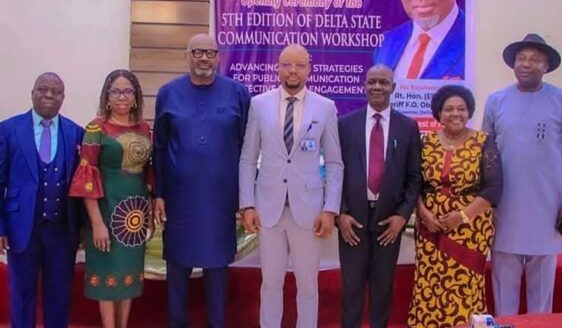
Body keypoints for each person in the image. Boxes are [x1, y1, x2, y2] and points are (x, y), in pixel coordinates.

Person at [482, 33, 562, 316]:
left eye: (535, 60)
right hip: (505, 210)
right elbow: (485, 157)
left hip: (548, 209)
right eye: (522, 59)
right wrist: (485, 204)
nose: (526, 64)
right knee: (504, 289)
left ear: (547, 66)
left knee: (542, 295)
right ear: (513, 64)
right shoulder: (496, 101)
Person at [239, 44, 343, 328]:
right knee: (270, 282)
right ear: (277, 67)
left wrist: (330, 208)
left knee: (307, 284)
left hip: (309, 211)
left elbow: (334, 163)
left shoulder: (325, 107)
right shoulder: (259, 104)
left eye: (299, 65)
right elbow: (248, 158)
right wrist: (247, 204)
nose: (293, 71)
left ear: (309, 69)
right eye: (287, 65)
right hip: (268, 208)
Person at [153, 33, 250, 328]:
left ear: (219, 56)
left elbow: (248, 148)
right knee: (178, 270)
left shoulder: (238, 93)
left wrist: (244, 199)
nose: (204, 58)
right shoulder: (168, 93)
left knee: (217, 272)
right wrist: (159, 193)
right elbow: (159, 146)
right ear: (187, 56)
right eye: (197, 52)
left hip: (221, 202)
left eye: (209, 52)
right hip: (180, 201)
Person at [408, 85, 503, 328]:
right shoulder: (425, 142)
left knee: (466, 286)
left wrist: (461, 216)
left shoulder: (484, 142)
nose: (455, 113)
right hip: (431, 227)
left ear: (469, 111)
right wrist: (423, 213)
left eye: (461, 108)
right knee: (430, 283)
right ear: (438, 113)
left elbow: (493, 189)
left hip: (470, 229)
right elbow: (414, 183)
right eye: (449, 109)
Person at [337, 65, 422, 328]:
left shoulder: (408, 127)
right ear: (364, 86)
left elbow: (414, 177)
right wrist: (341, 212)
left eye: (383, 82)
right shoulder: (345, 124)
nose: (376, 87)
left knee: (382, 288)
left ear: (393, 88)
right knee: (351, 289)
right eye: (371, 81)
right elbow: (333, 169)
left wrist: (402, 217)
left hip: (389, 222)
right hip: (353, 220)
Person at [69, 69, 153, 328]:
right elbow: (86, 179)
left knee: (127, 279)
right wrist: (96, 223)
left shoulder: (144, 129)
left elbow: (148, 175)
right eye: (115, 91)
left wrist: (148, 218)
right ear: (107, 97)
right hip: (106, 213)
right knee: (107, 277)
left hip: (135, 217)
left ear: (136, 97)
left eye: (127, 91)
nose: (121, 96)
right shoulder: (96, 128)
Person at [0, 72, 84, 327]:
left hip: (62, 230)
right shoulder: (8, 129)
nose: (49, 95)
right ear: (33, 92)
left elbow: (82, 186)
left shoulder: (76, 132)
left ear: (63, 97)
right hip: (21, 228)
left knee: (59, 297)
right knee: (21, 296)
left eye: (56, 91)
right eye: (43, 89)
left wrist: (81, 228)